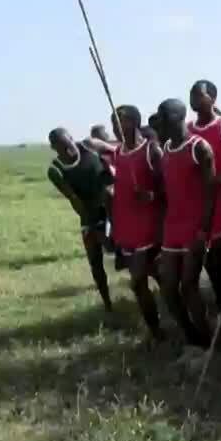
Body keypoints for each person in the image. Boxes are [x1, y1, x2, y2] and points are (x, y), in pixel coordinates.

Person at [157, 98, 220, 350]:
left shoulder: (199, 147)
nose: (159, 122)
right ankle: (191, 336)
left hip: (195, 228)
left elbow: (210, 192)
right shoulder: (166, 148)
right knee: (169, 288)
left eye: (162, 117)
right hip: (172, 227)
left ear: (176, 117)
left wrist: (203, 231)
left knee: (189, 286)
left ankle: (207, 341)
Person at [109, 105, 165, 340]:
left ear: (134, 122)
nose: (116, 127)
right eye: (113, 123)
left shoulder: (152, 150)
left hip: (149, 227)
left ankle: (159, 331)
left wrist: (152, 195)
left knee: (138, 282)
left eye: (120, 122)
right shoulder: (117, 153)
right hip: (126, 228)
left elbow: (169, 187)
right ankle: (160, 329)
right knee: (159, 278)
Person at [47, 127, 114, 312]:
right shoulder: (56, 170)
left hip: (114, 206)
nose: (66, 148)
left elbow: (118, 152)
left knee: (127, 252)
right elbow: (74, 200)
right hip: (89, 214)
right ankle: (108, 304)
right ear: (53, 148)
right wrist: (94, 226)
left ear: (71, 137)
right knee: (95, 260)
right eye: (60, 147)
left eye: (67, 142)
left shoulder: (90, 146)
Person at [187, 80, 221, 313]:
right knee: (209, 259)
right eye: (192, 95)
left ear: (213, 98)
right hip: (199, 202)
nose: (194, 99)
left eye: (200, 95)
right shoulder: (188, 130)